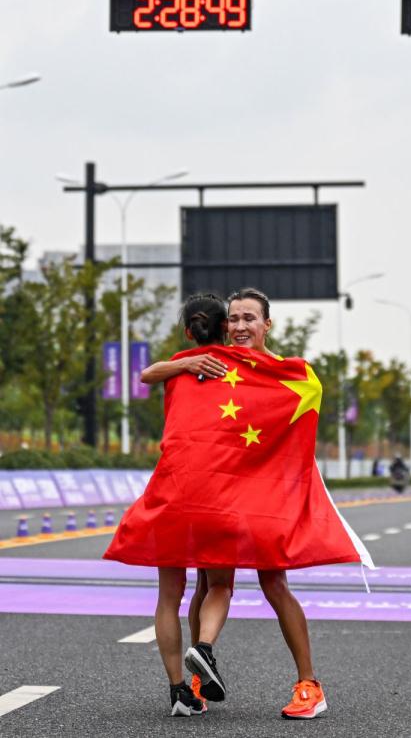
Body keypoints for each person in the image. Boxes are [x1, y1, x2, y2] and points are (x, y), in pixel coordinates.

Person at [106, 286, 373, 720]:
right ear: (222, 324)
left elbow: (306, 399)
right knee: (207, 584)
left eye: (250, 318)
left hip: (261, 498)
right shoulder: (212, 362)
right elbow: (154, 375)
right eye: (233, 318)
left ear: (267, 324)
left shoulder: (280, 372)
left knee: (273, 584)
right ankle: (199, 672)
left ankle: (309, 685)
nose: (240, 326)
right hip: (220, 499)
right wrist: (189, 362)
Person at [104, 292, 231, 717]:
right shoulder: (241, 369)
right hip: (217, 490)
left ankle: (179, 691)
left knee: (168, 598)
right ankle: (205, 652)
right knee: (219, 585)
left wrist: (184, 363)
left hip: (172, 489)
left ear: (186, 331)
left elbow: (145, 374)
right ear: (227, 328)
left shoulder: (173, 368)